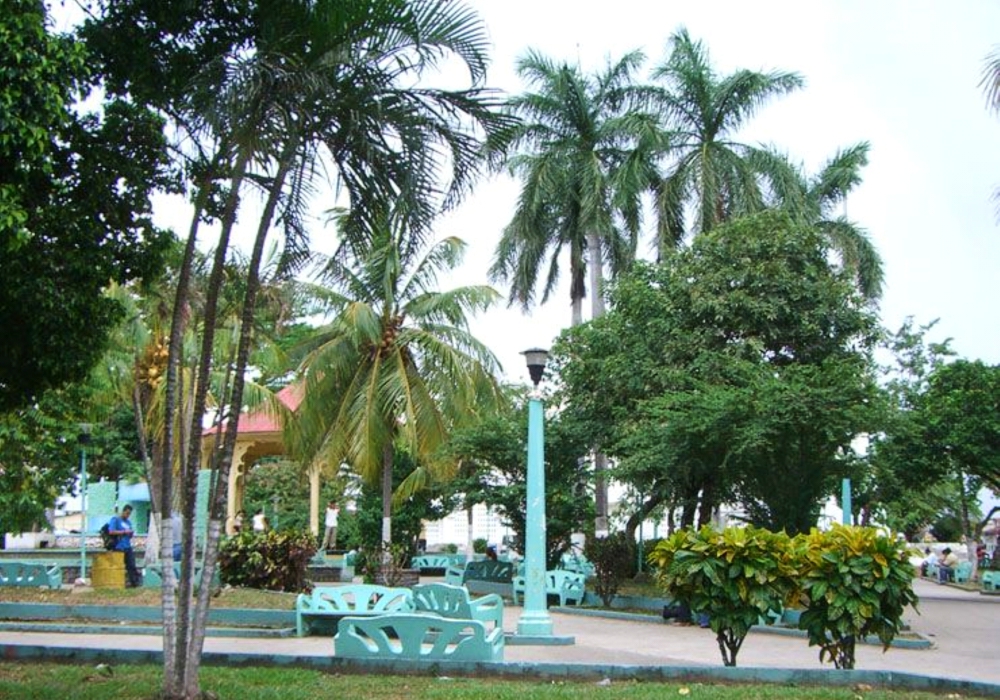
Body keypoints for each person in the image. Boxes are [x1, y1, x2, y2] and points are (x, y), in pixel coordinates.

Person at [108, 504, 142, 587]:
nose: (127, 515)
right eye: (126, 513)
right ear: (123, 511)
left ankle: (134, 583)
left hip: (127, 546)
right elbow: (111, 531)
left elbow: (129, 535)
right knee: (118, 566)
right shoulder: (115, 520)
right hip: (118, 547)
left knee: (131, 565)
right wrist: (123, 532)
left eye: (129, 514)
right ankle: (117, 583)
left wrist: (130, 533)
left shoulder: (128, 522)